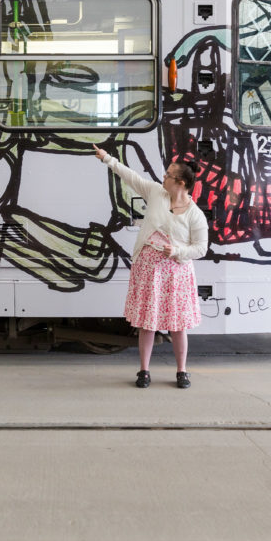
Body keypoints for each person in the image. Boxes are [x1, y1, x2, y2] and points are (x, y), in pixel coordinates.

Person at [93, 144, 209, 388]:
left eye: (168, 175)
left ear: (181, 183)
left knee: (178, 325)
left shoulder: (195, 214)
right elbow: (131, 176)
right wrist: (107, 159)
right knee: (147, 323)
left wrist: (176, 250)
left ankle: (181, 371)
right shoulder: (156, 192)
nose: (163, 177)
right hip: (148, 269)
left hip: (176, 272)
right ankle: (144, 371)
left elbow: (200, 248)